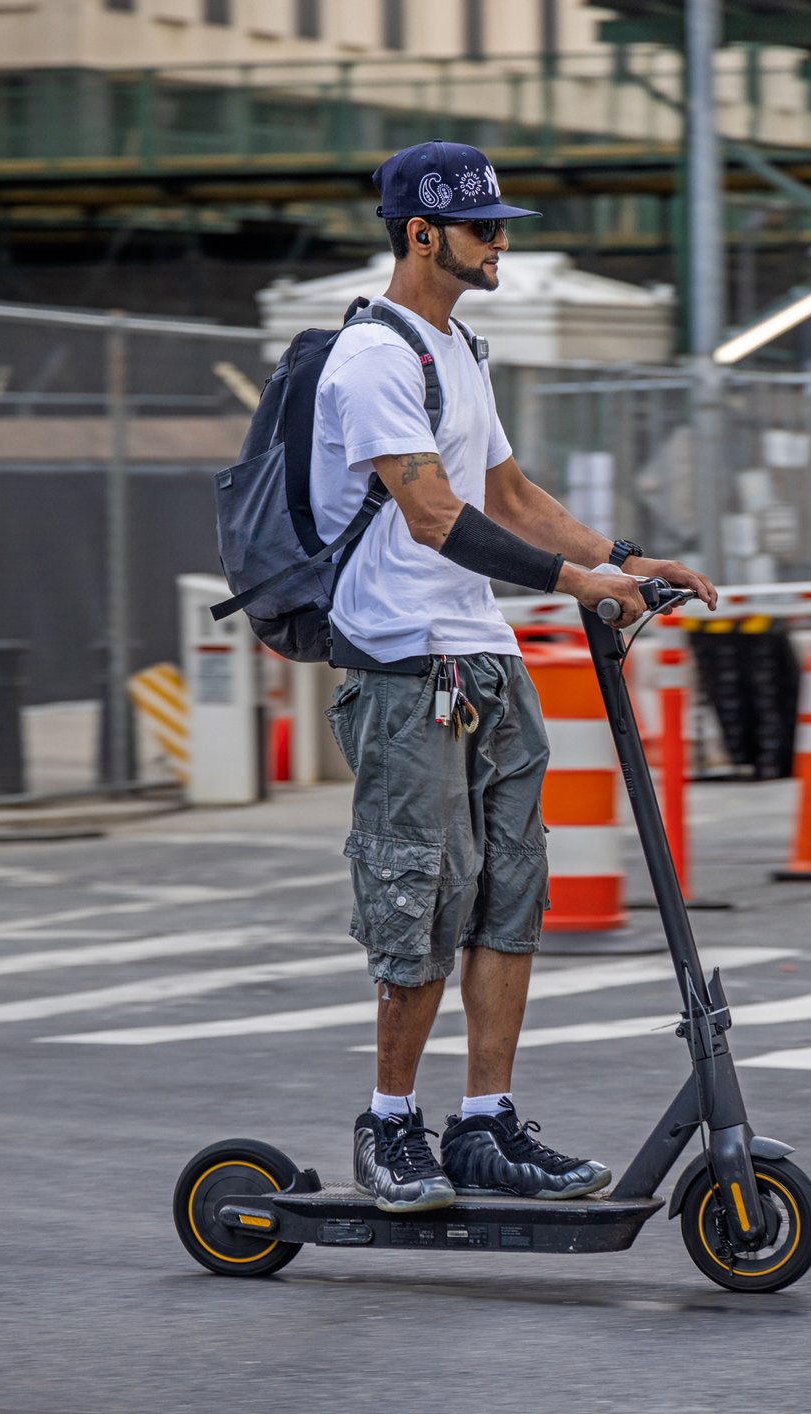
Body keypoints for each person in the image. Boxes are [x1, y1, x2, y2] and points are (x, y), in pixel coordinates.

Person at [314, 140, 717, 1213]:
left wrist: (622, 561)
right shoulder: (370, 361)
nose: (499, 243)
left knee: (508, 896)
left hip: (482, 660)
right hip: (403, 663)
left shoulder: (460, 352)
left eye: (500, 226)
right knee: (421, 898)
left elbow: (509, 489)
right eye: (482, 228)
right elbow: (436, 516)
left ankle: (484, 1123)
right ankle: (388, 1124)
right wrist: (570, 584)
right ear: (419, 234)